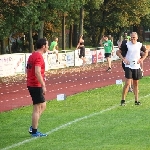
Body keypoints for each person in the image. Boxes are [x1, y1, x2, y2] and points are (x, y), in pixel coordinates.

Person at [116, 32, 148, 106]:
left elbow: (146, 52)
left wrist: (142, 59)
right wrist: (123, 59)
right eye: (131, 37)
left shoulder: (140, 45)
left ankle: (137, 100)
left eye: (134, 37)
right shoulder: (126, 44)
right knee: (127, 83)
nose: (132, 39)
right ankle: (123, 100)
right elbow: (118, 52)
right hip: (128, 66)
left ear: (137, 38)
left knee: (136, 84)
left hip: (136, 66)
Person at [26, 38, 48, 137]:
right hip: (36, 85)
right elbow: (37, 72)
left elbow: (27, 69)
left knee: (43, 106)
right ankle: (34, 131)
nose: (48, 47)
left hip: (32, 84)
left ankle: (33, 127)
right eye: (47, 45)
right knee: (37, 107)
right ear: (43, 46)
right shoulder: (38, 57)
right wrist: (43, 85)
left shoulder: (32, 55)